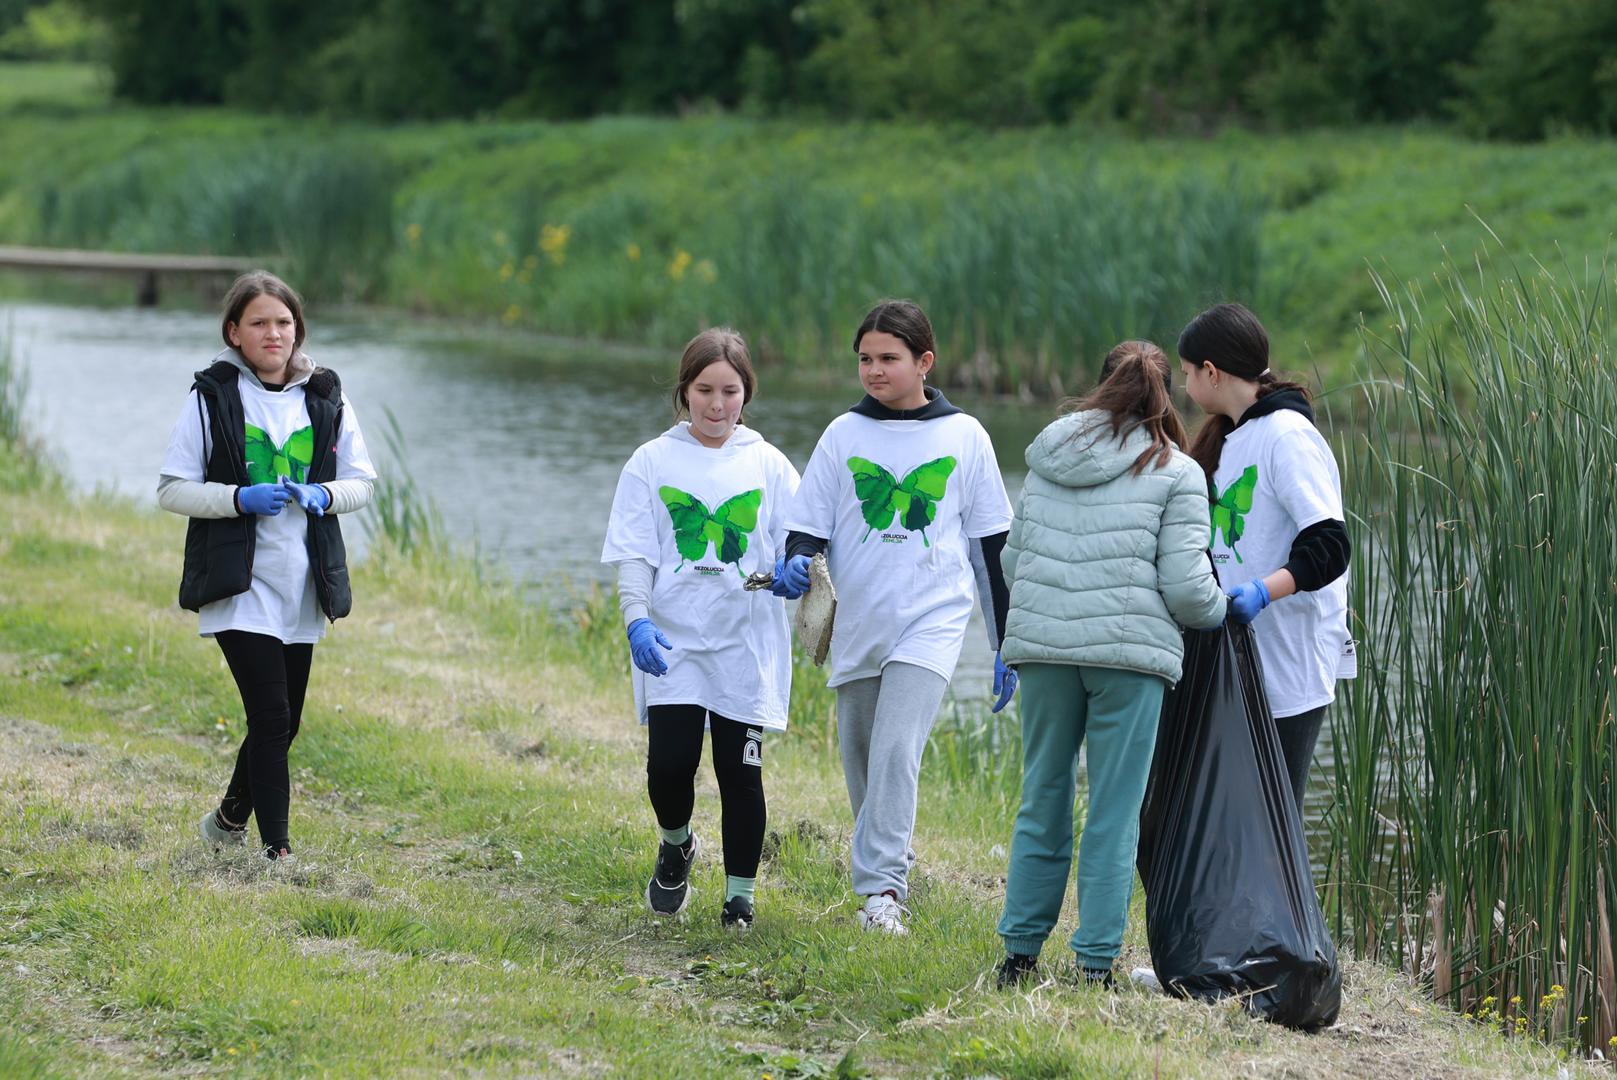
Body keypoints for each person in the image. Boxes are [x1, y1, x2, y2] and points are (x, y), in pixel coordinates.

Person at [993, 341, 1227, 989]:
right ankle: (1095, 961)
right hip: (1127, 658)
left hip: (1042, 651)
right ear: (1165, 397)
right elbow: (1186, 589)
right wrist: (1220, 608)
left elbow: (1013, 563)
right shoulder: (1176, 472)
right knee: (1113, 811)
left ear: (1098, 387)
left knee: (1042, 797)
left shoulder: (1049, 457)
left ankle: (1018, 954)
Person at [781, 299, 1014, 935]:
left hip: (932, 620)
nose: (875, 370)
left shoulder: (965, 437)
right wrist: (799, 562)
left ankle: (882, 891)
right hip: (857, 622)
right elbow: (806, 530)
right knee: (860, 754)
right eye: (865, 359)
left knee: (894, 748)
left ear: (924, 362)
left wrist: (1005, 641)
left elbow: (991, 549)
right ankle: (891, 854)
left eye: (889, 358)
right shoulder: (842, 435)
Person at [158, 271, 376, 864]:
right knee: (273, 716)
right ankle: (277, 851)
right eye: (258, 322)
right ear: (234, 332)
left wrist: (324, 496)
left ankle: (228, 819)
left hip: (303, 584)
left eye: (283, 322)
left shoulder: (326, 395)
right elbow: (173, 489)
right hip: (239, 583)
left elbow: (362, 483)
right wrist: (236, 499)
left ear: (297, 329)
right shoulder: (212, 396)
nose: (272, 333)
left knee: (284, 723)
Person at [600, 328, 800, 929]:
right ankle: (677, 843)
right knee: (669, 764)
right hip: (674, 642)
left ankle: (739, 898)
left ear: (747, 394)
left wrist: (797, 568)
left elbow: (803, 539)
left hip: (745, 643)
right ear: (684, 391)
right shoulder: (652, 461)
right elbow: (635, 553)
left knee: (741, 773)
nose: (717, 405)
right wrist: (637, 619)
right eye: (704, 390)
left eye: (730, 391)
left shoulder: (767, 464)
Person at [1177, 302, 1353, 816]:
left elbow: (1328, 545)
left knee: (1274, 820)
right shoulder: (1231, 437)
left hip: (1289, 661)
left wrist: (1259, 592)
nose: (1185, 385)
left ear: (1212, 372)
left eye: (1188, 373)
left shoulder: (1287, 436)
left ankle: (1290, 903)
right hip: (1240, 658)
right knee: (1232, 816)